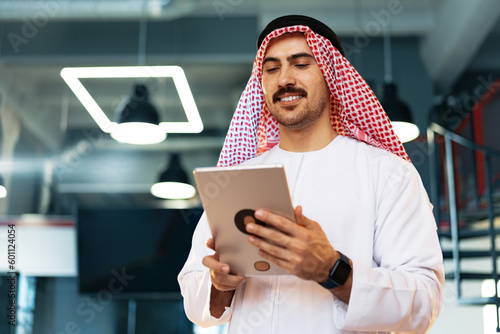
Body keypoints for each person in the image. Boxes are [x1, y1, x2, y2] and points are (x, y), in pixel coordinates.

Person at [178, 15, 444, 334]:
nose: (284, 79)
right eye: (272, 68)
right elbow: (196, 302)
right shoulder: (235, 178)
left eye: (301, 64)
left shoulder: (388, 174)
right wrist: (221, 284)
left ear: (331, 75)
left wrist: (333, 268)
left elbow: (424, 303)